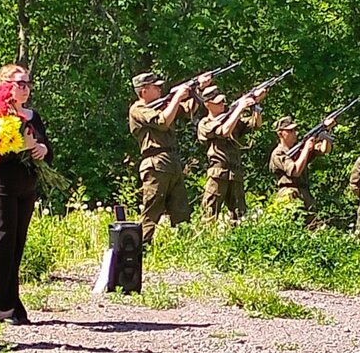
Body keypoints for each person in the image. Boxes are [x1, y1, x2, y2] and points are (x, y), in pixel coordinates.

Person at [0, 65, 51, 325]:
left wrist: (41, 148)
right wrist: (22, 144)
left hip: (26, 186)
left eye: (27, 83)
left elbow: (47, 149)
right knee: (3, 243)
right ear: (4, 84)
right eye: (19, 83)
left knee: (17, 244)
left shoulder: (33, 116)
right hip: (0, 183)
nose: (25, 88)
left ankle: (13, 303)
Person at [128, 70, 205, 245]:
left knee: (181, 209)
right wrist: (176, 97)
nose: (160, 90)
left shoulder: (162, 105)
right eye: (155, 87)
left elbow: (187, 110)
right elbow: (162, 122)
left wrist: (198, 89)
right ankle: (141, 247)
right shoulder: (138, 109)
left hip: (171, 161)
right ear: (144, 91)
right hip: (155, 162)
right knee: (152, 209)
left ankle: (185, 247)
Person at [197, 85, 262, 221]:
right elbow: (224, 131)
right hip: (218, 172)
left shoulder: (231, 118)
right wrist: (239, 109)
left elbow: (256, 123)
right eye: (217, 102)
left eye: (222, 101)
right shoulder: (205, 123)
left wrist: (255, 104)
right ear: (208, 105)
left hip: (235, 172)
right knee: (210, 212)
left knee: (240, 215)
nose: (222, 104)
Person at [268, 115, 332, 214]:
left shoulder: (299, 150)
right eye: (290, 131)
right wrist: (306, 148)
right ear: (280, 134)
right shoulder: (278, 153)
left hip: (305, 194)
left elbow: (324, 150)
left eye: (294, 130)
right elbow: (295, 171)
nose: (294, 133)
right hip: (289, 194)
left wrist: (326, 132)